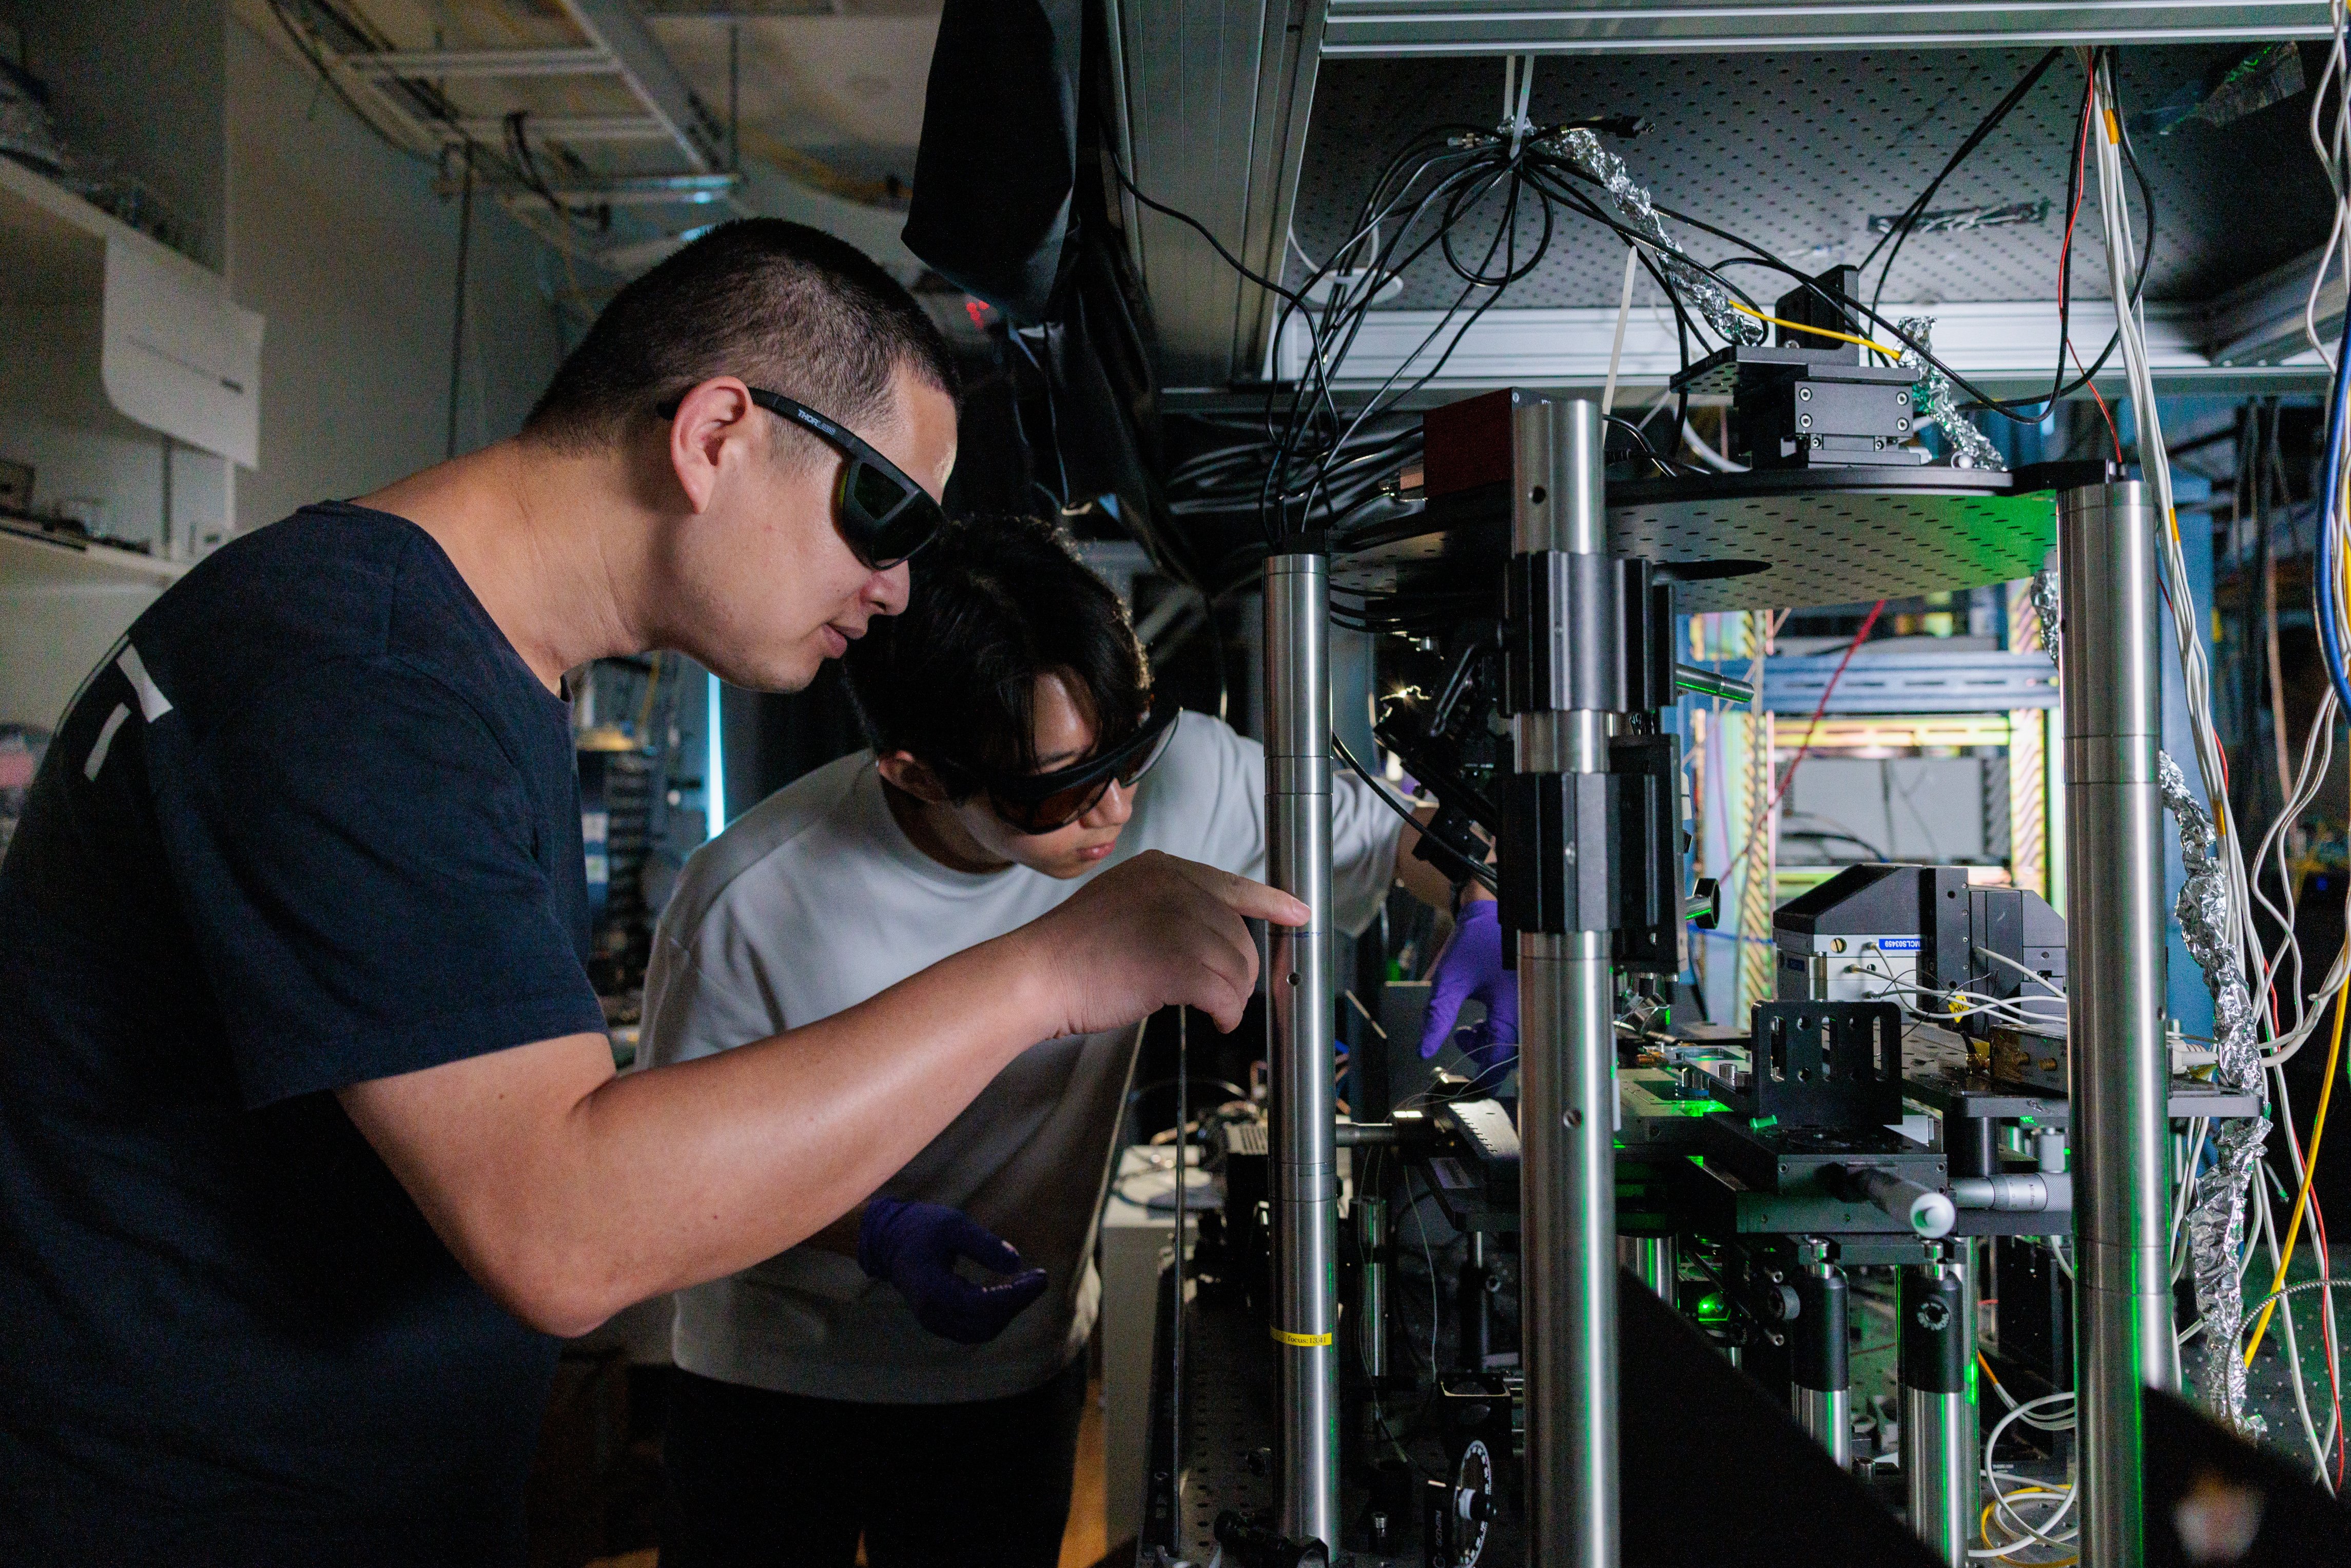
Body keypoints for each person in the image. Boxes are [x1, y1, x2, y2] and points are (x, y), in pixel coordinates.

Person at [0, 221, 1304, 1567]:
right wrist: (1048, 971)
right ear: (716, 434)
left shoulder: (434, 658)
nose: (898, 582)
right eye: (884, 513)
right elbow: (564, 1228)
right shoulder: (361, 683)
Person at [638, 514, 1514, 1567]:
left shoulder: (1169, 781)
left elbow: (1391, 833)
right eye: (1056, 788)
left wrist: (1486, 889)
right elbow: (671, 1187)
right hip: (772, 1381)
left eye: (1129, 751)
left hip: (1008, 1378)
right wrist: (871, 1231)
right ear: (914, 772)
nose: (1113, 811)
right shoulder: (749, 898)